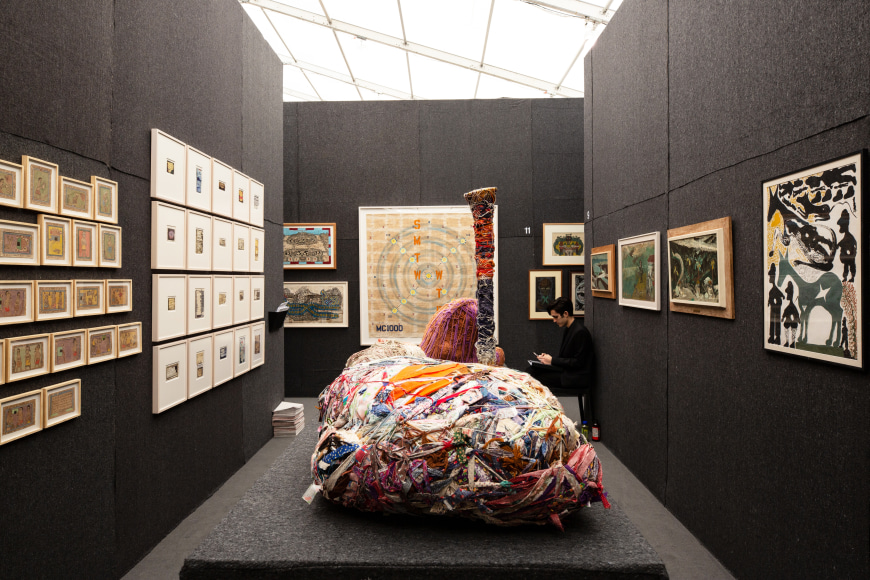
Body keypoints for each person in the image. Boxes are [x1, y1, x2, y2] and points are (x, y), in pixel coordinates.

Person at [525, 297, 595, 423]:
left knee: (532, 375)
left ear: (566, 314)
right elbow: (567, 358)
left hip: (575, 377)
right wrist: (548, 359)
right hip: (568, 372)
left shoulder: (580, 332)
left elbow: (578, 363)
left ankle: (540, 416)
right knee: (531, 370)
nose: (554, 320)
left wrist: (552, 361)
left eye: (556, 317)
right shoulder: (570, 329)